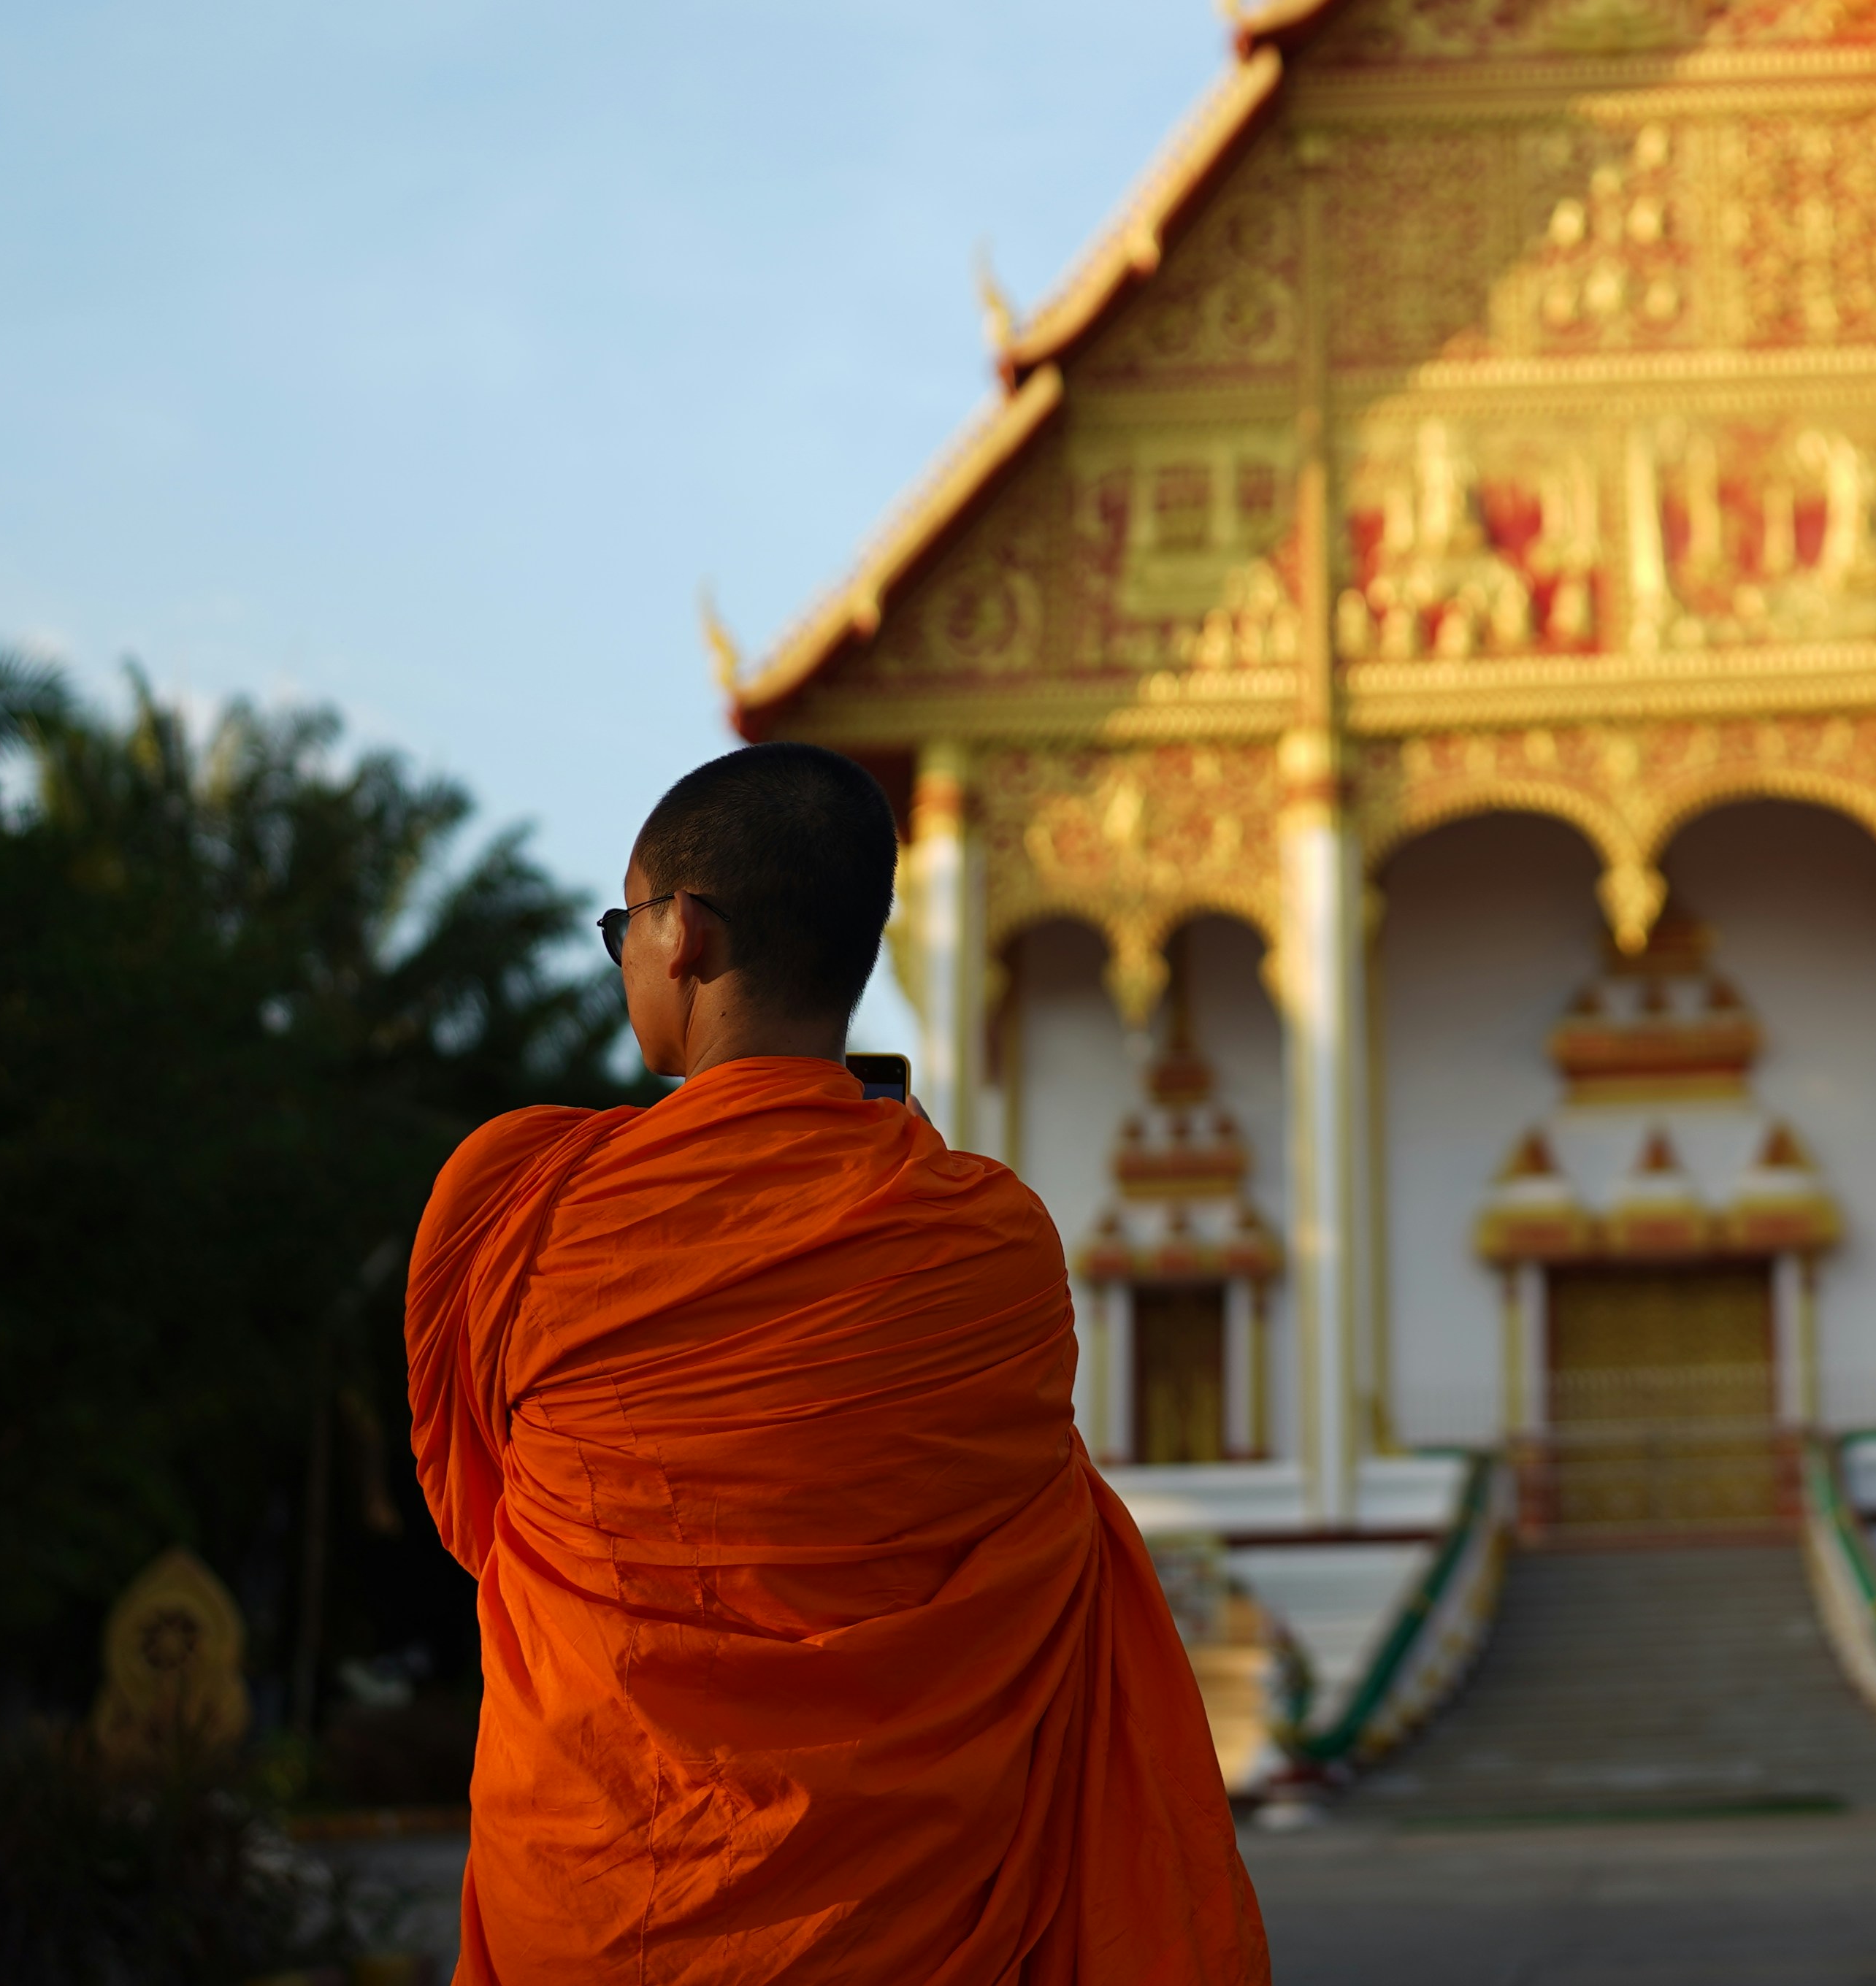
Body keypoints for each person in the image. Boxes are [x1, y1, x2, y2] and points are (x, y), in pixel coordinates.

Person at [408, 742, 1267, 1982]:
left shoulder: (523, 1209)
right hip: (909, 1923)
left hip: (615, 1904)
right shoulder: (987, 1241)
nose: (624, 962)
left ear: (683, 936)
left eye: (623, 930)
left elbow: (478, 1514)